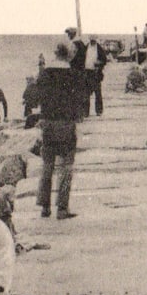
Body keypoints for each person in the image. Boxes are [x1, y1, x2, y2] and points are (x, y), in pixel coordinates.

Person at [35, 42, 84, 219]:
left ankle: (44, 207)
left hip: (48, 123)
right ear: (69, 56)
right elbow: (80, 98)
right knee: (66, 166)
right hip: (66, 124)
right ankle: (62, 208)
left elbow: (36, 96)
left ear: (55, 54)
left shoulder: (45, 74)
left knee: (47, 166)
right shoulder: (73, 75)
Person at [84, 36, 109, 116]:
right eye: (91, 40)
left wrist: (99, 64)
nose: (92, 41)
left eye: (94, 40)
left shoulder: (100, 49)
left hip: (96, 73)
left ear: (96, 40)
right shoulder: (85, 47)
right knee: (86, 93)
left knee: (97, 92)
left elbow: (104, 60)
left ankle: (99, 111)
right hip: (86, 72)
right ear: (89, 39)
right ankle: (85, 112)